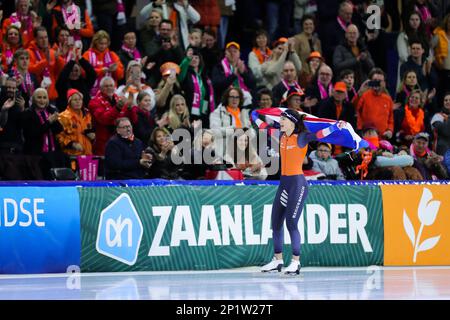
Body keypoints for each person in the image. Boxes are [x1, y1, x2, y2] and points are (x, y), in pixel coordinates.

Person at [260, 109, 345, 274]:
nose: (280, 122)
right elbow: (263, 126)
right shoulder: (281, 135)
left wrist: (335, 126)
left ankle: (295, 262)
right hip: (284, 184)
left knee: (291, 223)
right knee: (276, 223)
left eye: (283, 119)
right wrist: (255, 114)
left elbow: (320, 135)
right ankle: (277, 261)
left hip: (297, 185)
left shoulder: (302, 137)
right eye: (280, 119)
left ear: (292, 121)